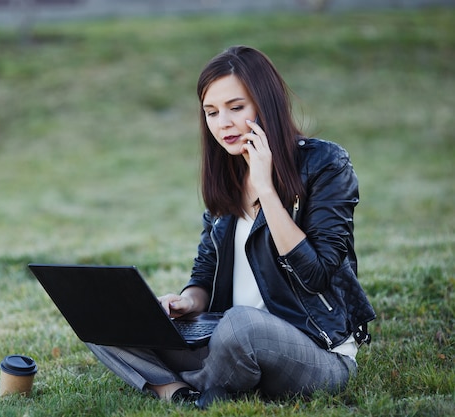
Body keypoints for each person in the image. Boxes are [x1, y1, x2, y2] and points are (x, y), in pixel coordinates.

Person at [87, 46, 376, 409]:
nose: (222, 123)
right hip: (226, 340)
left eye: (236, 108)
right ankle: (179, 393)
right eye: (211, 112)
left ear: (265, 104)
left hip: (314, 351)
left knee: (242, 325)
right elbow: (205, 274)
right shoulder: (226, 178)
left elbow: (316, 275)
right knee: (105, 317)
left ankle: (195, 382)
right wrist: (184, 302)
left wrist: (267, 189)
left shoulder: (324, 164)